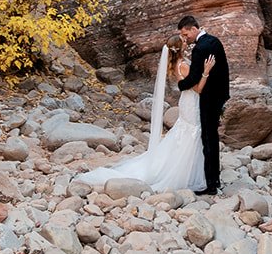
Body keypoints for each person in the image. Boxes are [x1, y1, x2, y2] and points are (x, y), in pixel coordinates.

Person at [77, 36, 217, 194]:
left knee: (185, 134)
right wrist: (206, 72)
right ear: (179, 47)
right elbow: (198, 89)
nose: (186, 42)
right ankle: (186, 173)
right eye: (183, 41)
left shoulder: (177, 64)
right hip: (192, 103)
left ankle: (185, 169)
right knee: (191, 134)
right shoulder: (183, 65)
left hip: (187, 102)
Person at [176, 14, 230, 196]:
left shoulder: (200, 48)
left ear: (193, 28)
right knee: (211, 137)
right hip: (219, 95)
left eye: (186, 34)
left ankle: (211, 184)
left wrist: (180, 85)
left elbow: (193, 78)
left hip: (208, 98)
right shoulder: (214, 41)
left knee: (208, 139)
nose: (186, 38)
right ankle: (214, 178)